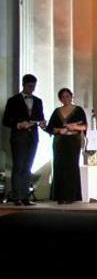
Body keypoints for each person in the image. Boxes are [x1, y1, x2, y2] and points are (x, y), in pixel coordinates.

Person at [2, 74, 45, 206]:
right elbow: (5, 120)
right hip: (19, 137)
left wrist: (42, 123)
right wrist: (19, 124)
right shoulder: (13, 100)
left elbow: (40, 117)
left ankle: (25, 197)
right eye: (30, 86)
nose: (32, 89)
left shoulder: (38, 101)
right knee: (18, 166)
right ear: (24, 85)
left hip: (33, 137)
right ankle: (16, 197)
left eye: (34, 86)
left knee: (28, 167)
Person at [46, 88, 87, 204]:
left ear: (71, 96)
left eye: (68, 96)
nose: (66, 99)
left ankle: (71, 196)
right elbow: (50, 128)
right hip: (59, 142)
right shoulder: (57, 111)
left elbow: (84, 126)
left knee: (71, 167)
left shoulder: (78, 110)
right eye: (63, 97)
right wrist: (59, 130)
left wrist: (73, 127)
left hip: (73, 141)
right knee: (59, 166)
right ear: (60, 99)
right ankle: (60, 196)